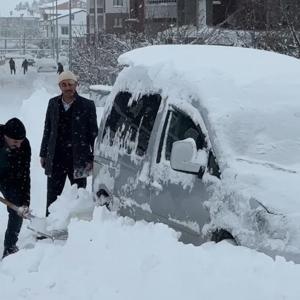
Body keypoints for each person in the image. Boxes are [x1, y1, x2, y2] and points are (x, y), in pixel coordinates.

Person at [40, 71, 98, 216]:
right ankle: (50, 224)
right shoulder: (53, 103)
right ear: (60, 86)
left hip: (79, 158)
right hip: (56, 157)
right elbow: (47, 129)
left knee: (80, 195)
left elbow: (93, 134)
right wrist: (43, 153)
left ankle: (78, 225)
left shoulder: (87, 105)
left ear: (76, 85)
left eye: (70, 84)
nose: (68, 87)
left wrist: (92, 157)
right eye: (64, 84)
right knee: (53, 194)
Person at [0, 118, 31, 258]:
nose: (19, 145)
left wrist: (25, 202)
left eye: (21, 142)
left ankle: (10, 247)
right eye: (15, 142)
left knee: (17, 208)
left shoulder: (24, 146)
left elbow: (25, 174)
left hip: (9, 178)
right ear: (5, 136)